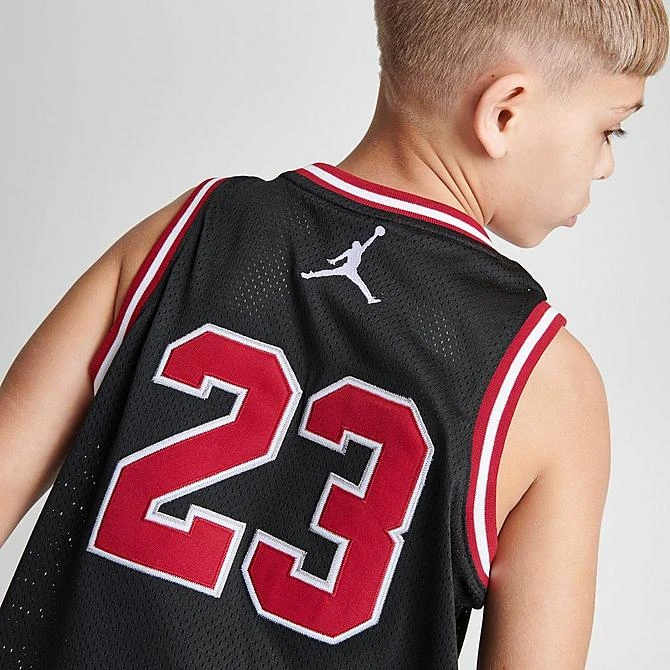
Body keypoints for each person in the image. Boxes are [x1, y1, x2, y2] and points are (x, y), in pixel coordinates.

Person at [0, 1, 667, 668]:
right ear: (504, 114)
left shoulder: (189, 230)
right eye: (611, 129)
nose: (606, 164)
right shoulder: (547, 382)